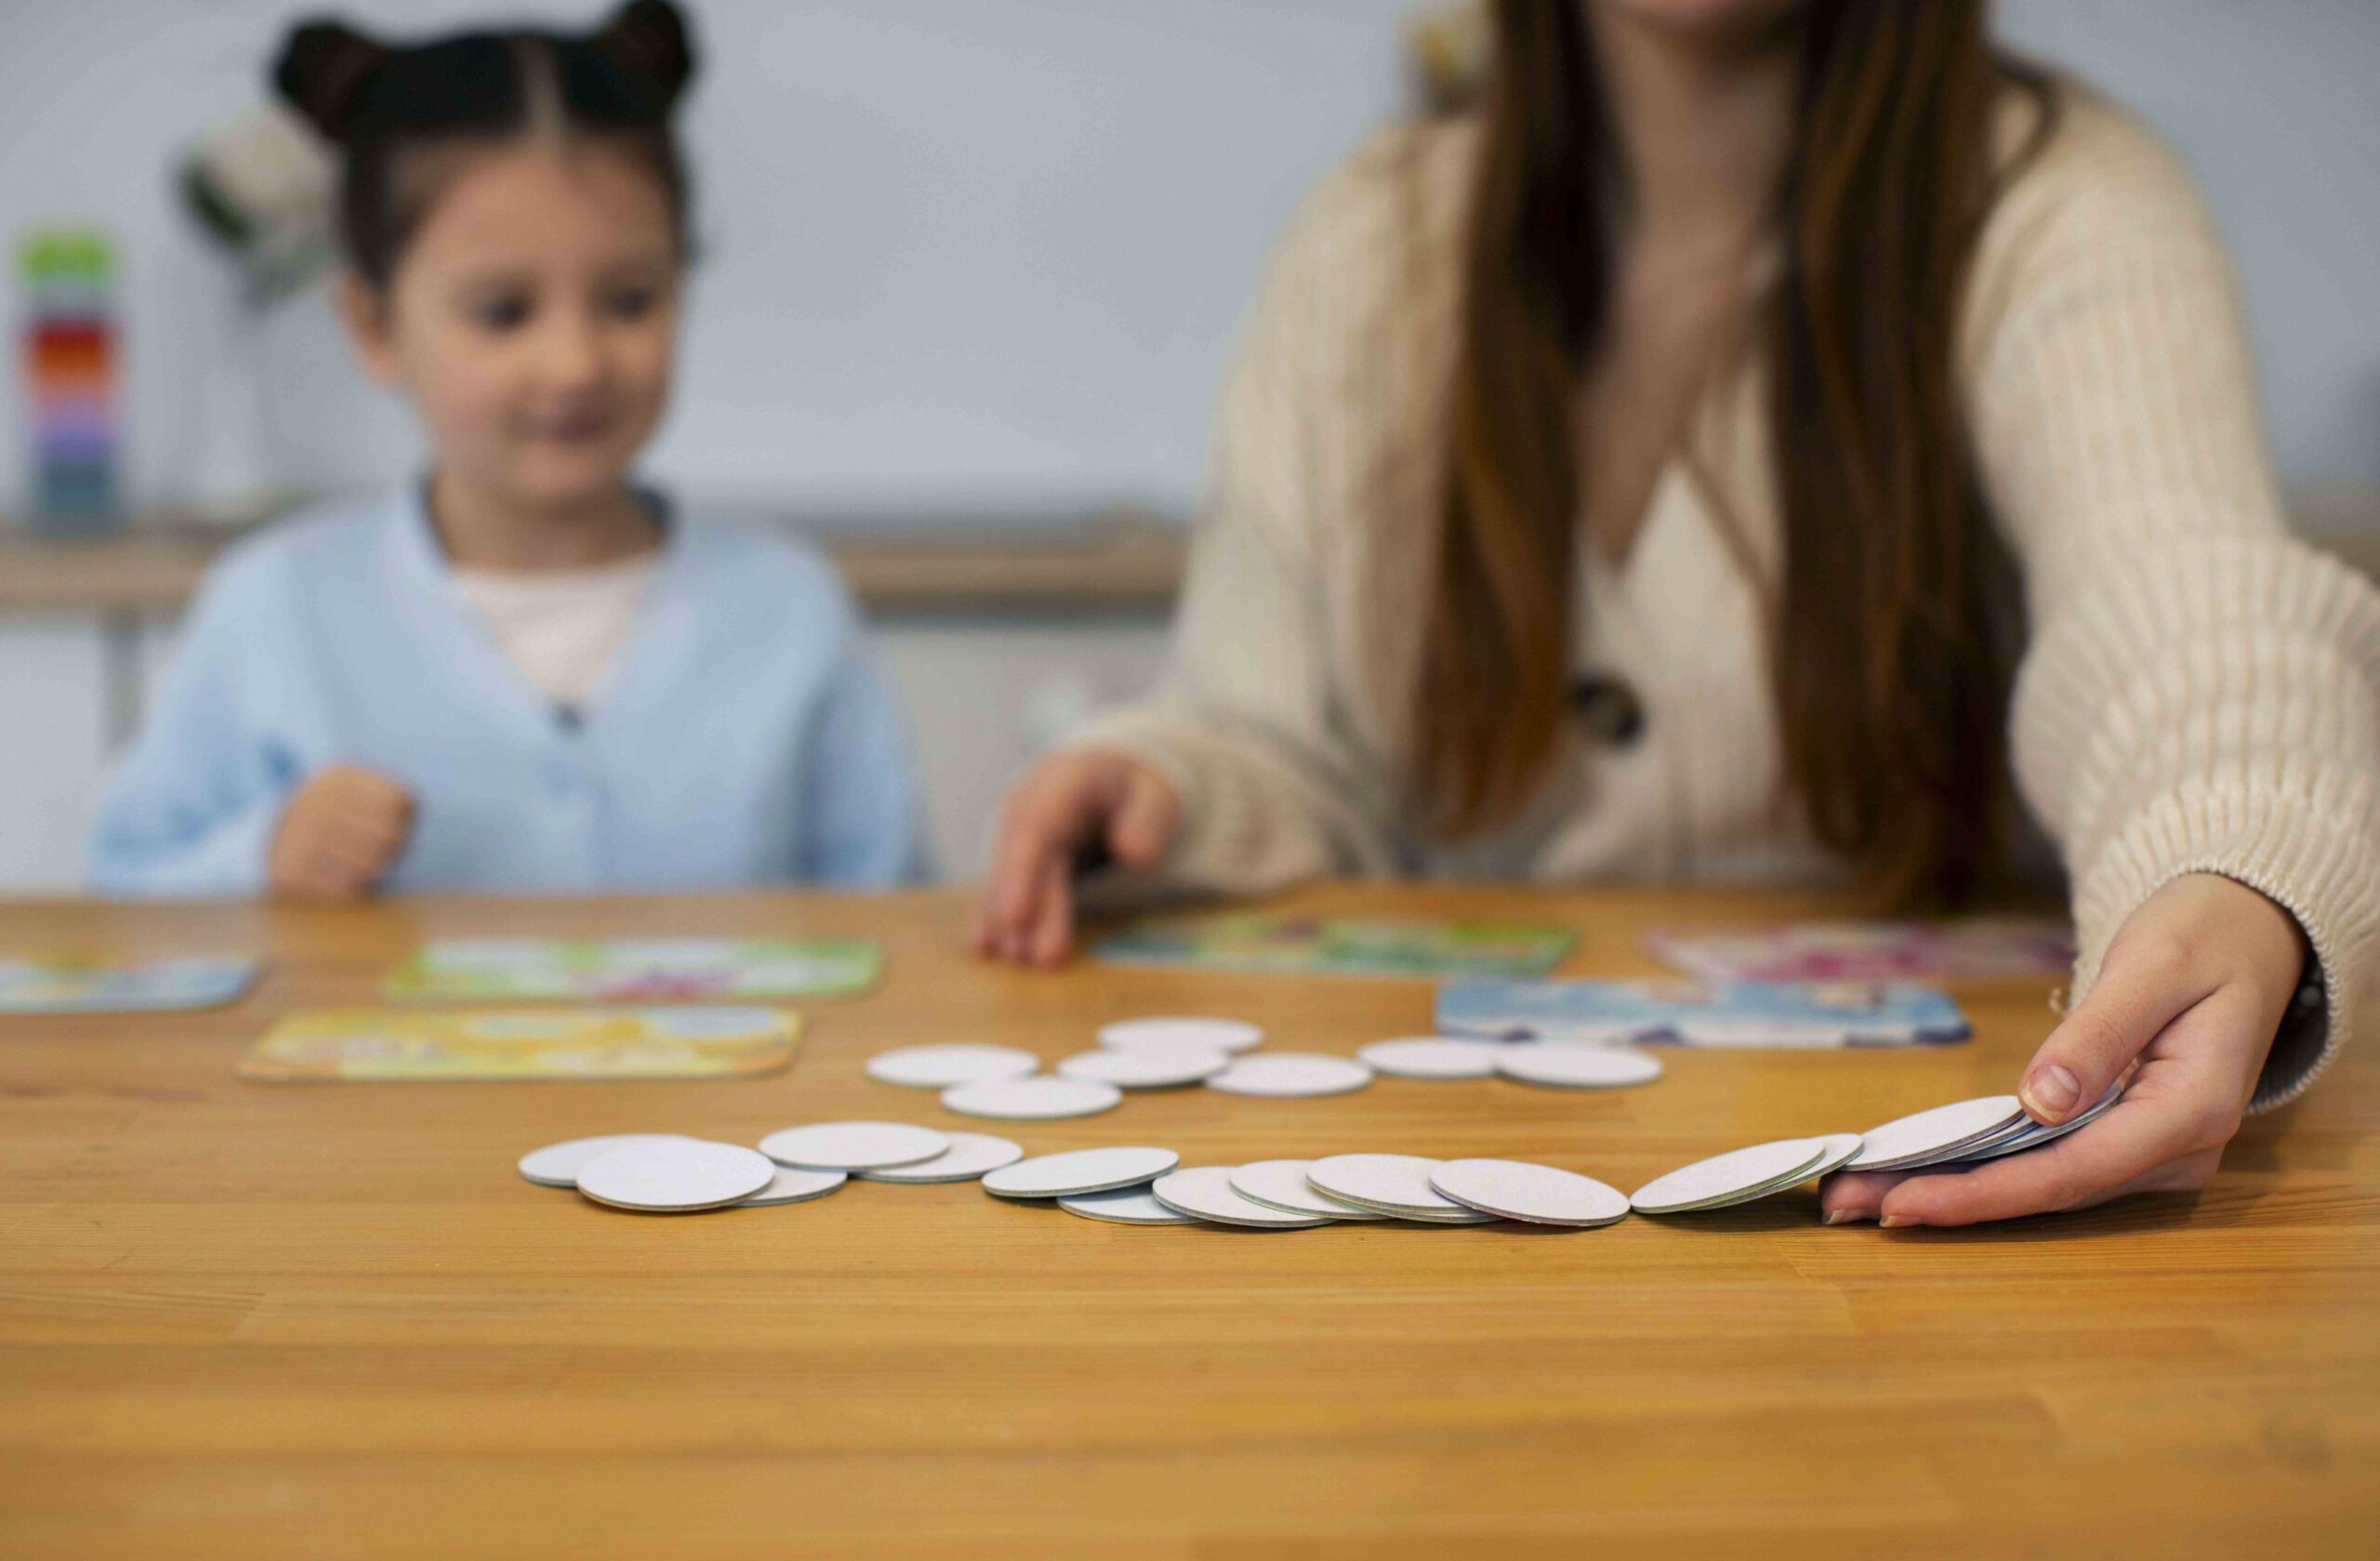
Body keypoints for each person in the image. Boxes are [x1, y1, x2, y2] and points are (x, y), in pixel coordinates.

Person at [974, 0, 2380, 1227]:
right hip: (1471, 1195)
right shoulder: (1372, 242)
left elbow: (2182, 604)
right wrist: (1167, 782)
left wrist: (2231, 860)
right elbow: (1281, 745)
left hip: (1919, 1241)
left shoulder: (2065, 201)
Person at [92, 1, 927, 898]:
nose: (574, 365)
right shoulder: (272, 607)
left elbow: (898, 916)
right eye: (503, 311)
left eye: (631, 299)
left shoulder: (789, 606)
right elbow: (127, 895)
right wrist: (264, 857)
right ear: (373, 325)